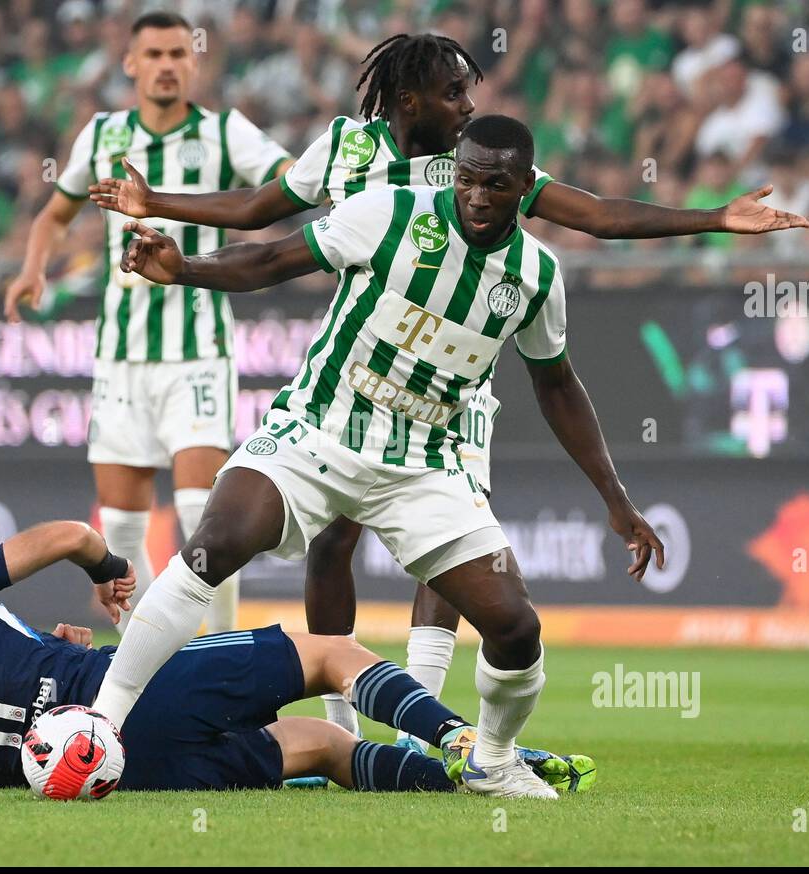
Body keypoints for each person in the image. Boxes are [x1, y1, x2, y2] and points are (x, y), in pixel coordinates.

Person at [89, 32, 807, 749]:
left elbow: (599, 215)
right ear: (411, 100)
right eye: (456, 92)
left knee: (456, 563)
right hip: (353, 375)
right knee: (330, 542)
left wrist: (713, 217)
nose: (470, 105)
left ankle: (420, 728)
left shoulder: (487, 161)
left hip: (450, 400)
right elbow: (260, 218)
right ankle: (338, 725)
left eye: (470, 91)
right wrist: (161, 211)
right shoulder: (349, 153)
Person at [90, 115, 665, 800]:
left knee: (516, 627)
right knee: (214, 544)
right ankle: (101, 726)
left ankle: (492, 759)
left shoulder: (537, 275)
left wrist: (617, 501)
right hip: (317, 432)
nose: (479, 196)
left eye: (497, 185)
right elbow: (272, 258)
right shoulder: (387, 210)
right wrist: (185, 268)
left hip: (422, 463)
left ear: (524, 188)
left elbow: (558, 386)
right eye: (469, 179)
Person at [0, 522, 592, 794]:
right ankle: (476, 746)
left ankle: (460, 785)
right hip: (127, 697)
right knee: (331, 655)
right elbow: (66, 534)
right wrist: (108, 570)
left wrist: (42, 655)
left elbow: (18, 737)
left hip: (124, 773)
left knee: (328, 749)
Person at [3, 11, 292, 637]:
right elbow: (55, 214)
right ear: (130, 64)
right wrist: (33, 268)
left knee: (202, 513)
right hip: (121, 355)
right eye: (153, 54)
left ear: (193, 64)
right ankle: (148, 672)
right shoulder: (104, 133)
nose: (165, 65)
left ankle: (224, 656)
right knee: (124, 531)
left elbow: (289, 180)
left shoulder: (224, 133)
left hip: (198, 349)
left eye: (176, 54)